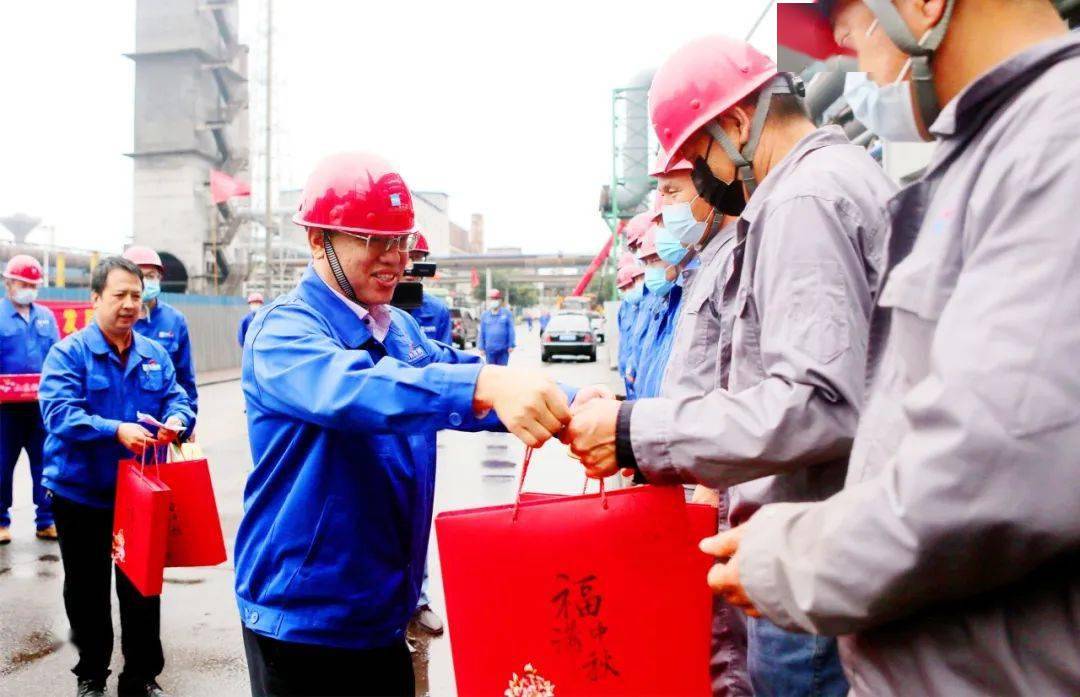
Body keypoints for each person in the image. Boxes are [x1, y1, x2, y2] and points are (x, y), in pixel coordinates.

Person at [701, 2, 1080, 694]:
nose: (846, 53)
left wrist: (786, 554)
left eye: (849, 22)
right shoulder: (990, 155)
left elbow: (992, 466)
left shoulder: (1057, 143)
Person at [565, 35, 896, 696]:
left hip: (811, 556)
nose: (700, 178)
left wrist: (635, 431)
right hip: (819, 548)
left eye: (696, 157)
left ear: (738, 123)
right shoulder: (822, 185)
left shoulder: (805, 199)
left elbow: (817, 404)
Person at [234, 153, 578, 697]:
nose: (394, 259)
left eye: (402, 242)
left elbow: (462, 379)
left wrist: (579, 405)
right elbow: (355, 391)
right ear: (318, 239)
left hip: (382, 611)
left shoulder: (401, 331)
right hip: (302, 622)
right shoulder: (283, 333)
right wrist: (483, 385)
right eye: (374, 240)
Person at [38, 256, 194, 697]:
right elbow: (60, 415)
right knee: (87, 590)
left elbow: (177, 398)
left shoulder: (154, 354)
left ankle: (142, 675)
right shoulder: (69, 354)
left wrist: (178, 420)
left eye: (135, 296)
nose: (129, 304)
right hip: (81, 493)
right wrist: (115, 430)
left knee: (142, 589)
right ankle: (91, 674)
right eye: (119, 295)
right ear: (94, 299)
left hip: (140, 493)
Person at [399, 231, 452, 637]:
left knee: (417, 514)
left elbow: (447, 368)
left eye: (415, 257)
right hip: (380, 427)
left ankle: (418, 600)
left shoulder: (431, 312)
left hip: (420, 429)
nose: (406, 264)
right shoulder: (366, 310)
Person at [0, 254, 60, 543]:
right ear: (8, 283)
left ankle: (46, 520)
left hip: (39, 408)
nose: (28, 289)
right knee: (1, 465)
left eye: (32, 284)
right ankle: (0, 522)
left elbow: (57, 358)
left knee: (45, 464)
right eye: (22, 283)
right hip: (5, 411)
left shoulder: (46, 317)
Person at [122, 247, 198, 416]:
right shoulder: (116, 320)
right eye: (139, 277)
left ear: (159, 278)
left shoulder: (175, 320)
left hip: (165, 422)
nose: (143, 283)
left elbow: (185, 378)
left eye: (150, 276)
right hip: (122, 424)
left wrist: (187, 418)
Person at [403, 233, 452, 345]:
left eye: (417, 258)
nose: (410, 266)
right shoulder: (377, 306)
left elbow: (445, 357)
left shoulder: (438, 310)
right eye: (406, 258)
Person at [614, 253, 644, 396]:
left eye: (629, 286)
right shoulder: (624, 308)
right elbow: (623, 338)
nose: (627, 291)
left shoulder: (648, 305)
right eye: (623, 288)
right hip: (627, 370)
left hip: (641, 369)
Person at [477, 289, 515, 366]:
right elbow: (482, 332)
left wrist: (511, 345)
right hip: (489, 350)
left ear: (500, 300)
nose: (493, 301)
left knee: (502, 371)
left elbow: (511, 330)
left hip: (503, 350)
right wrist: (481, 347)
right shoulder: (485, 315)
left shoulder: (507, 314)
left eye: (495, 299)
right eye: (492, 299)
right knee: (491, 371)